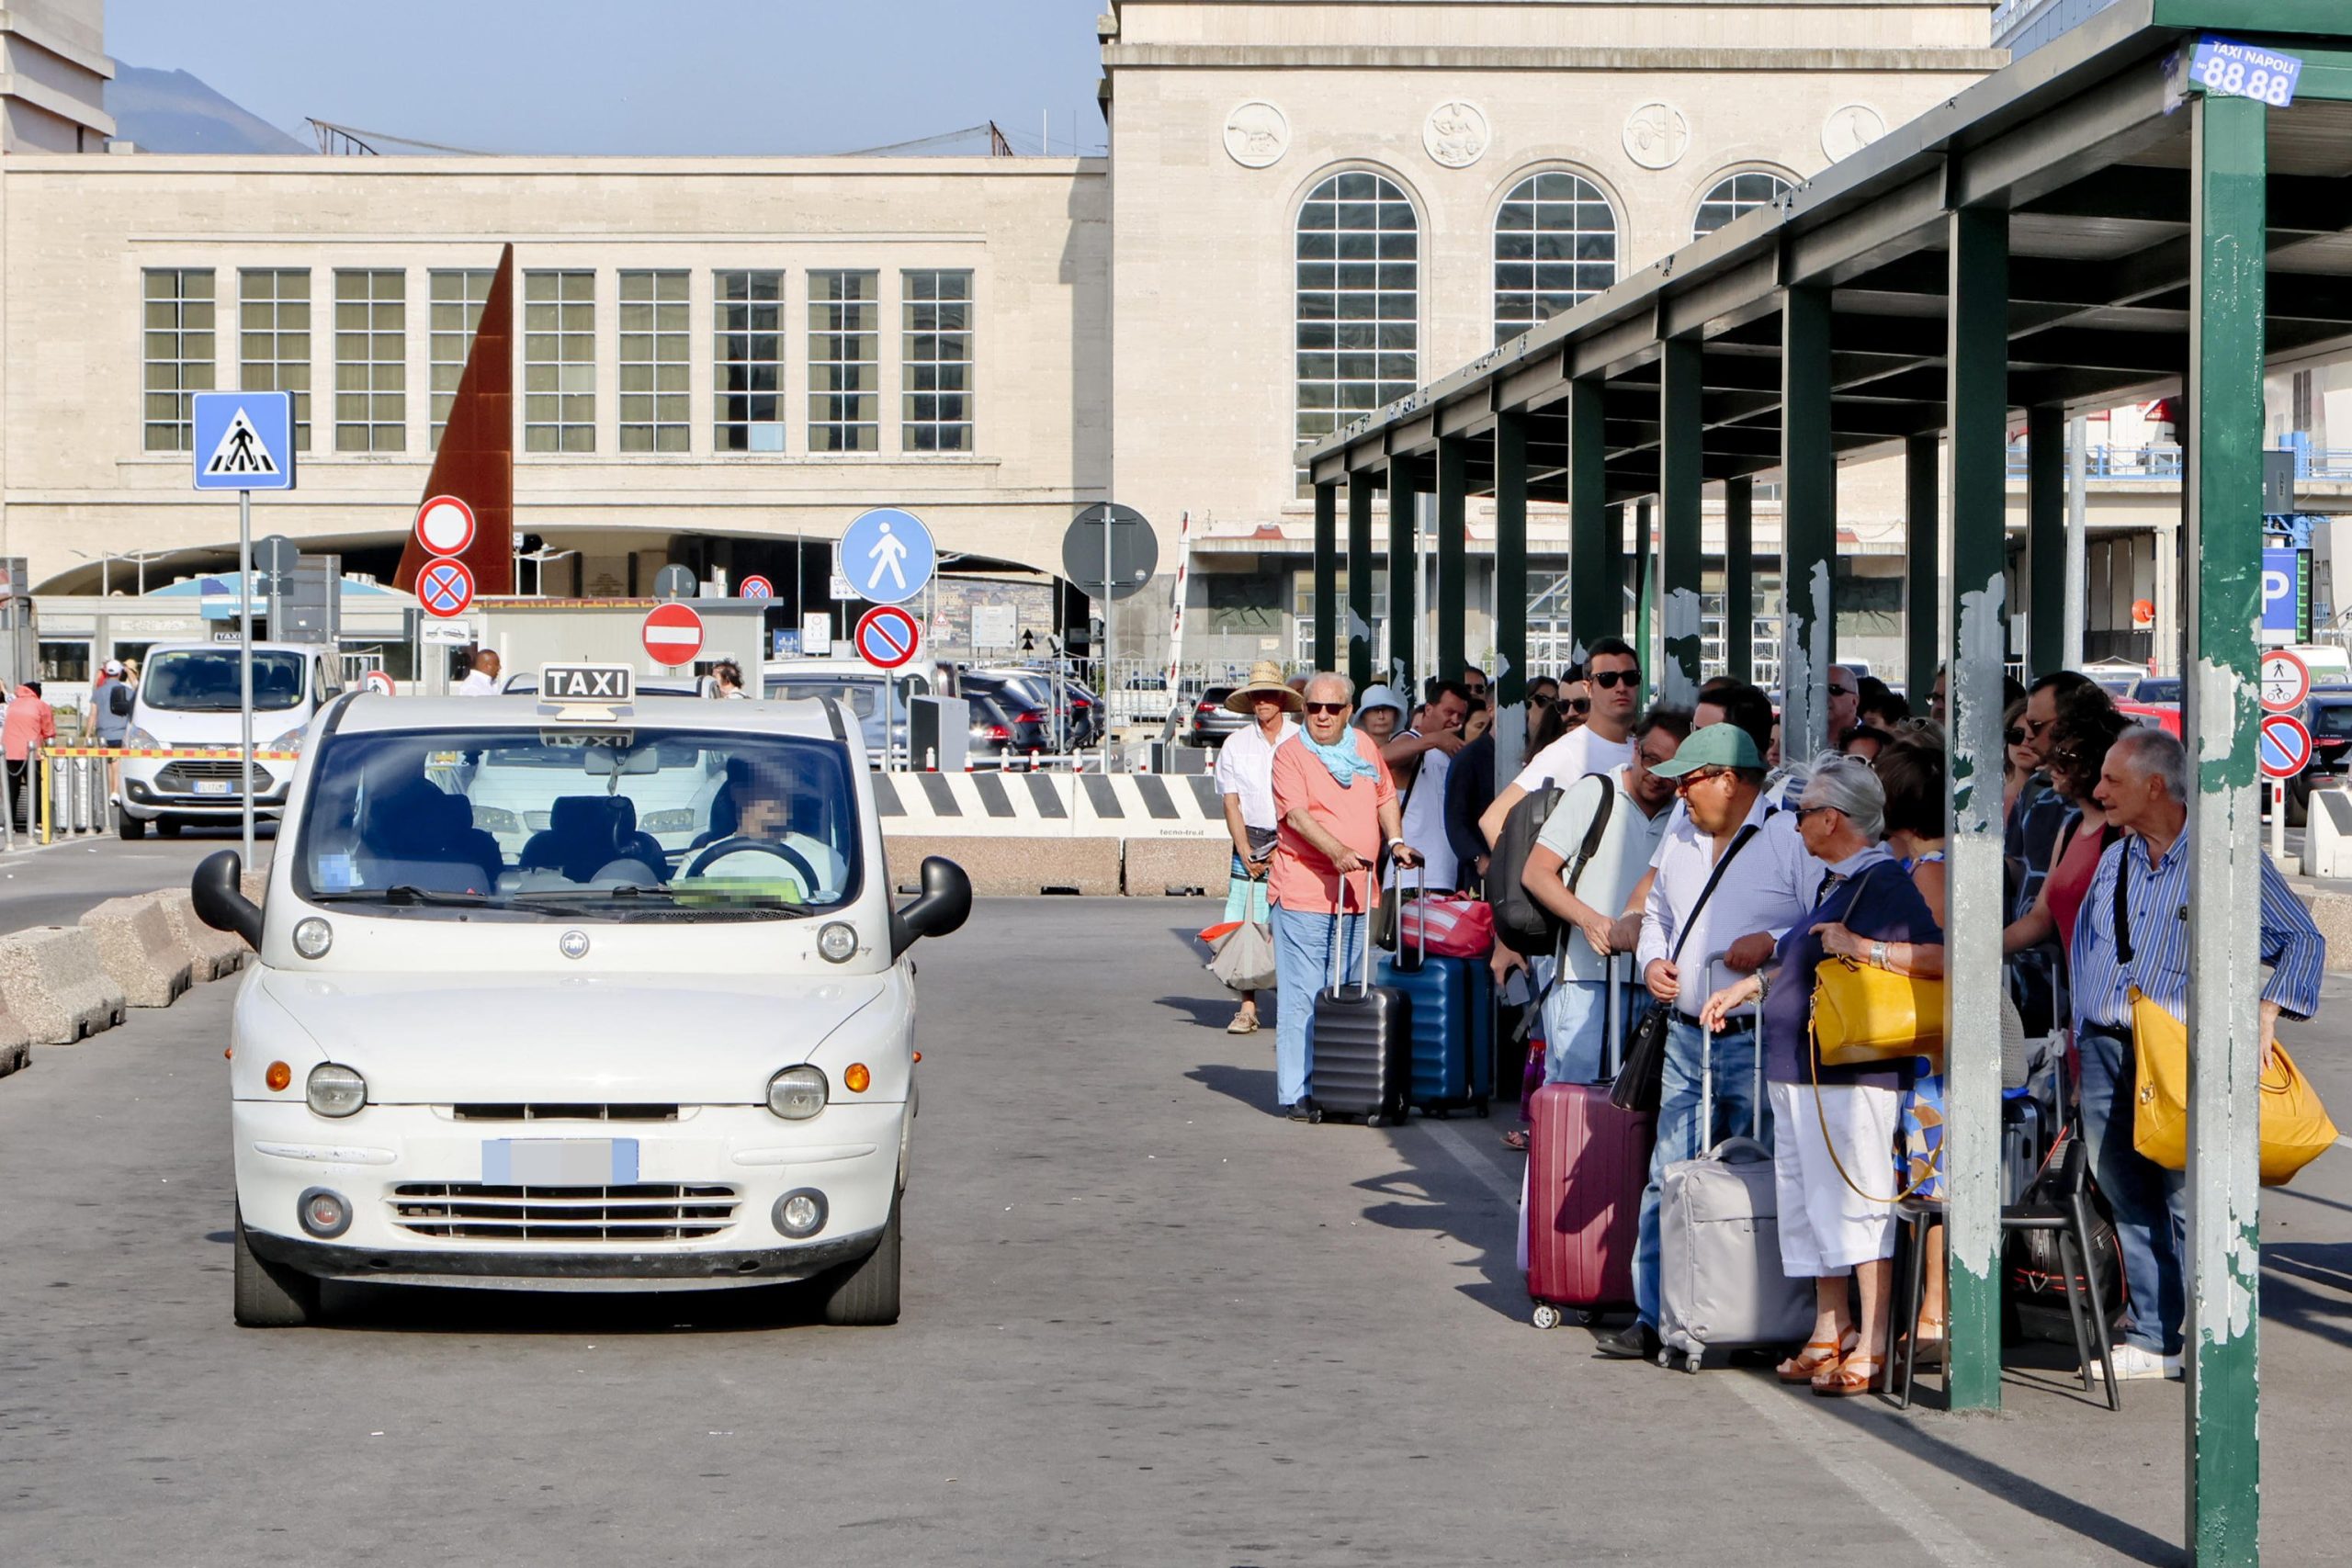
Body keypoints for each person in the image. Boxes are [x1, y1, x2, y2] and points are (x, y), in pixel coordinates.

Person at [2069, 727, 2324, 1378]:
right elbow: (2087, 950)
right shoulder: (2117, 857)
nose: (2098, 792)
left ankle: (2214, 1340)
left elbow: (2303, 939)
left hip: (2184, 1050)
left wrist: (2270, 1010)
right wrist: (2079, 1040)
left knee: (2191, 1196)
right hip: (2107, 1045)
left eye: (2112, 781)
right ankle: (2155, 1338)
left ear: (2156, 785)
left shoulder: (2225, 858)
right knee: (2124, 1190)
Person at [1697, 756, 1943, 1396]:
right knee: (1812, 1202)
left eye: (1802, 812)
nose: (1795, 822)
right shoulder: (1838, 883)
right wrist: (1751, 987)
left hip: (1848, 1071)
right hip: (1803, 1068)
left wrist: (1866, 950)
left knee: (1857, 1200)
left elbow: (1944, 956)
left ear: (1832, 818)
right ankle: (1829, 1327)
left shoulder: (1881, 880)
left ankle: (1874, 1337)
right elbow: (1806, 964)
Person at [1597, 721, 1824, 1361]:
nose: (1679, 794)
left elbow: (1824, 922)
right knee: (1667, 1175)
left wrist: (1773, 946)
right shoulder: (1681, 832)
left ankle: (1758, 1311)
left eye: (1689, 781)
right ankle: (1655, 1312)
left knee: (1759, 1178)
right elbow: (1658, 914)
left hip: (1755, 1038)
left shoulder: (1786, 836)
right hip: (1685, 1034)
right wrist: (1651, 960)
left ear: (1729, 779)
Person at [1508, 706, 1688, 1137]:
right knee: (1570, 1101)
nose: (1656, 774)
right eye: (1650, 758)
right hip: (1583, 977)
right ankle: (1546, 1198)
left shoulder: (1684, 814)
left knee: (1635, 1112)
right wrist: (1589, 921)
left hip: (1650, 986)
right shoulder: (1596, 792)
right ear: (1635, 748)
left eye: (1671, 766)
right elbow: (1536, 872)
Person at [1268, 673, 1420, 1120]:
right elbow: (1295, 815)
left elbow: (1384, 795)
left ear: (1347, 711)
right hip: (1304, 892)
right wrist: (1336, 851)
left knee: (1348, 993)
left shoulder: (1363, 747)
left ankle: (1339, 1085)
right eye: (1313, 708)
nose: (1321, 716)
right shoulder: (1290, 755)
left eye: (1332, 709)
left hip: (1357, 892)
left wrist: (1395, 842)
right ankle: (1298, 1090)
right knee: (1305, 995)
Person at [1477, 637, 1641, 849]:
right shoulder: (1565, 752)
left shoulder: (1645, 749)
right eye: (1607, 679)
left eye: (1630, 677)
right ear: (1588, 687)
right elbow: (1492, 820)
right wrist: (1530, 878)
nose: (1620, 687)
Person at [2005, 703, 2136, 966]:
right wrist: (1969, 951)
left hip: (2114, 995)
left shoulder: (2122, 833)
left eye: (2066, 756)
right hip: (2078, 997)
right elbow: (2040, 919)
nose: (2052, 764)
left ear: (2090, 766)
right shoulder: (2071, 829)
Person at [1213, 661, 1303, 1035]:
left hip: (1294, 838)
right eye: (1257, 696)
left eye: (1269, 695)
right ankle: (1247, 1007)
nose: (1263, 702)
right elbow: (1230, 803)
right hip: (1249, 837)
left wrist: (1286, 846)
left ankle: (1294, 1007)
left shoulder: (1300, 740)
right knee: (1245, 922)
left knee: (1293, 922)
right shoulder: (1235, 744)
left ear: (1281, 699)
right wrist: (1246, 849)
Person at [1387, 682, 1471, 891]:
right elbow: (1380, 758)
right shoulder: (1412, 740)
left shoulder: (1451, 751)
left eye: (1461, 716)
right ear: (1428, 709)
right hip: (1410, 876)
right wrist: (1433, 740)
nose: (1455, 721)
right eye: (1449, 712)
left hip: (1447, 878)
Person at [4, 680, 55, 830]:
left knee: (11, 789)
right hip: (32, 753)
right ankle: (38, 822)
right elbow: (49, 731)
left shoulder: (13, 705)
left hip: (9, 752)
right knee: (36, 788)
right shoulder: (41, 705)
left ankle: (9, 822)